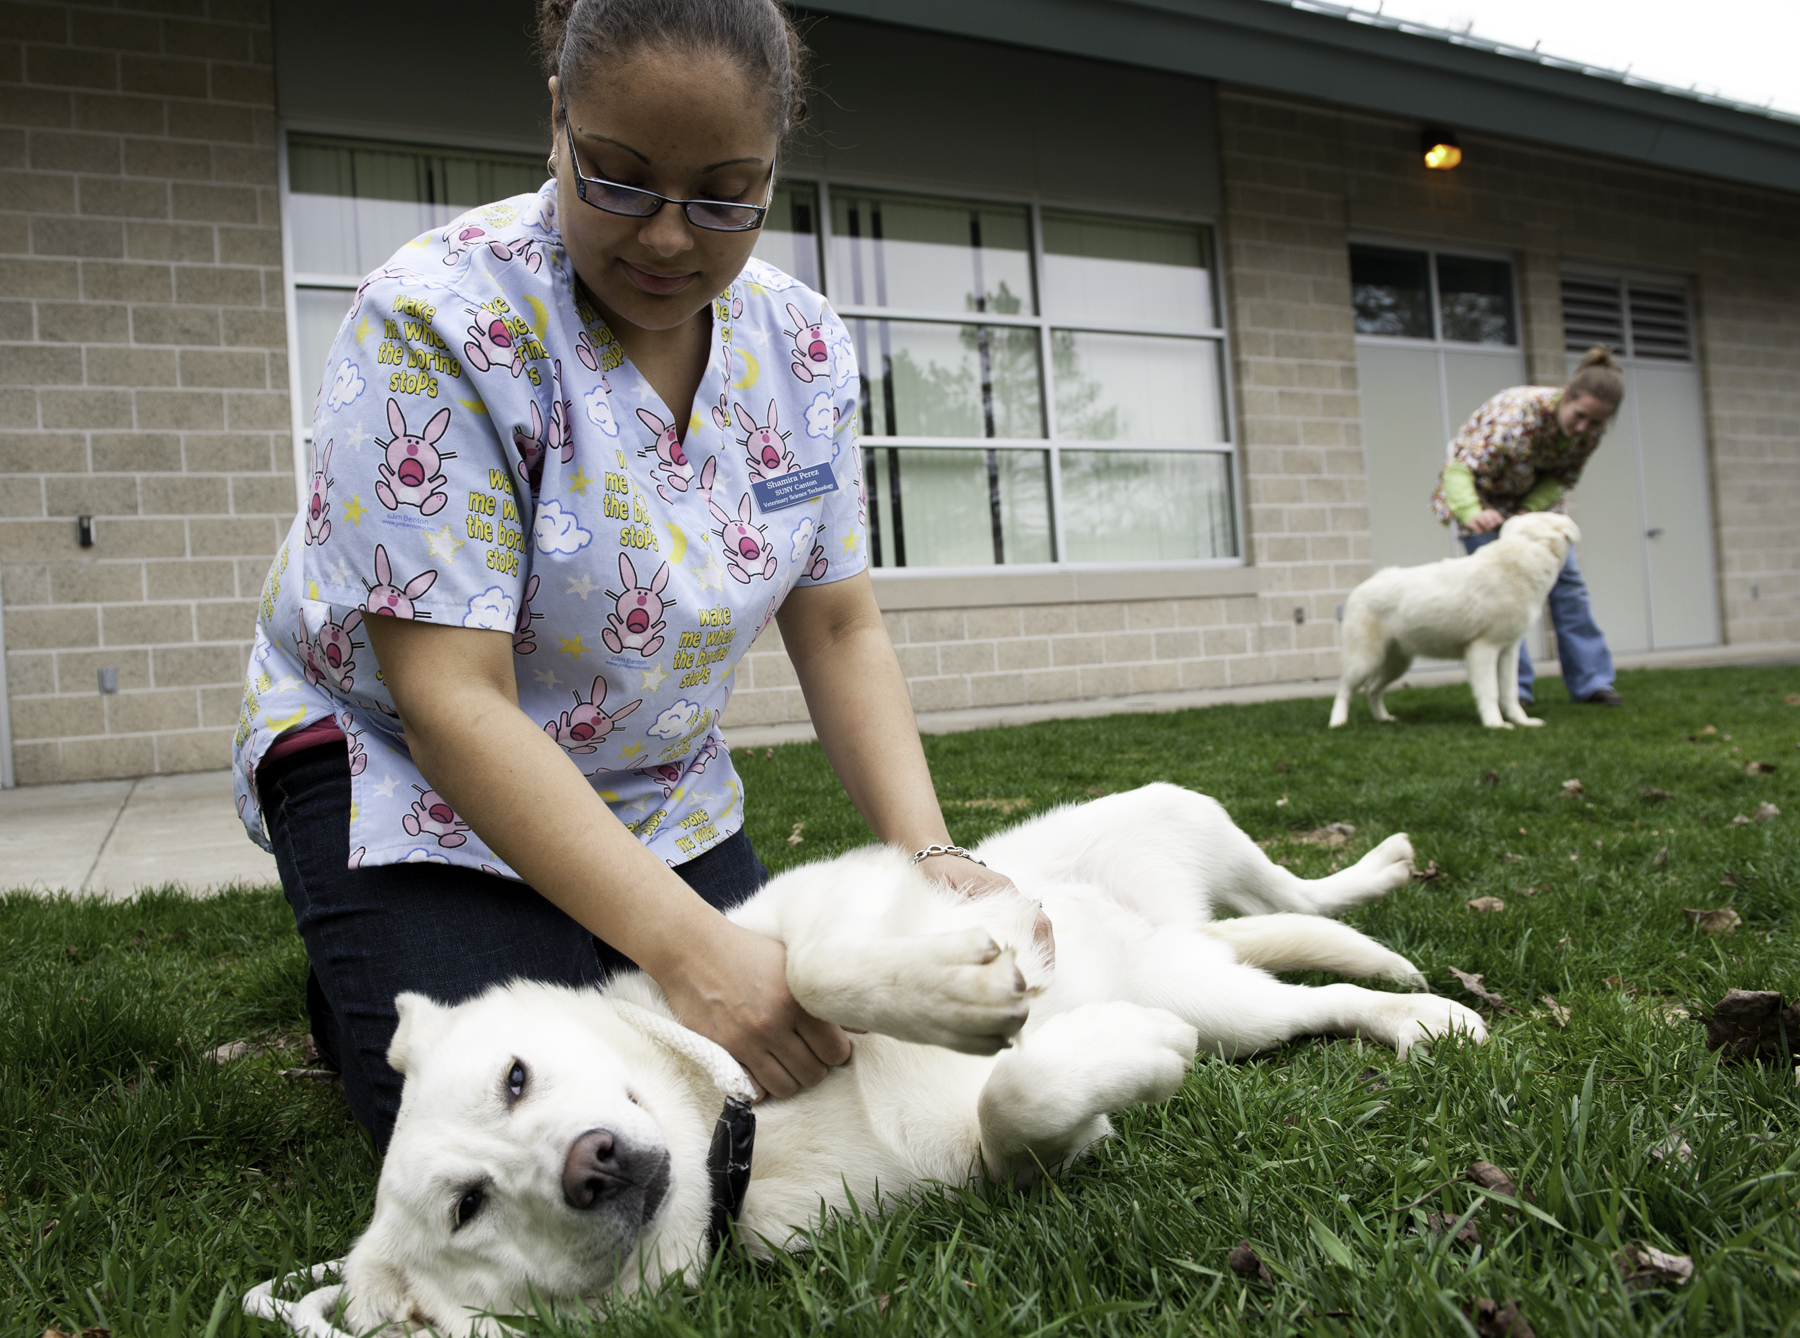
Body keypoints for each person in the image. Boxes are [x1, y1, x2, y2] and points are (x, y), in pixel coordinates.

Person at [231, 0, 1038, 1150]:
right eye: (617, 179)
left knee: (773, 1086)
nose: (668, 239)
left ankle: (514, 942)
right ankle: (373, 958)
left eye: (723, 196)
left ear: (774, 167)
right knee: (529, 1121)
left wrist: (934, 856)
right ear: (556, 118)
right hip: (407, 765)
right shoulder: (433, 317)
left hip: (650, 772)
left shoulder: (803, 347)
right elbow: (454, 701)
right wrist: (695, 951)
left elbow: (841, 627)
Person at [1429, 347, 1626, 708]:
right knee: (1501, 595)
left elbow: (1560, 479)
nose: (1583, 428)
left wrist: (1526, 512)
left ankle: (1592, 682)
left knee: (1568, 586)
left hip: (1530, 504)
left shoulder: (1589, 433)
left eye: (1595, 423)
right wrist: (1473, 512)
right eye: (1579, 416)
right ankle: (1513, 691)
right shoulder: (1515, 416)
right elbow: (1458, 470)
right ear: (1567, 395)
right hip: (1479, 497)